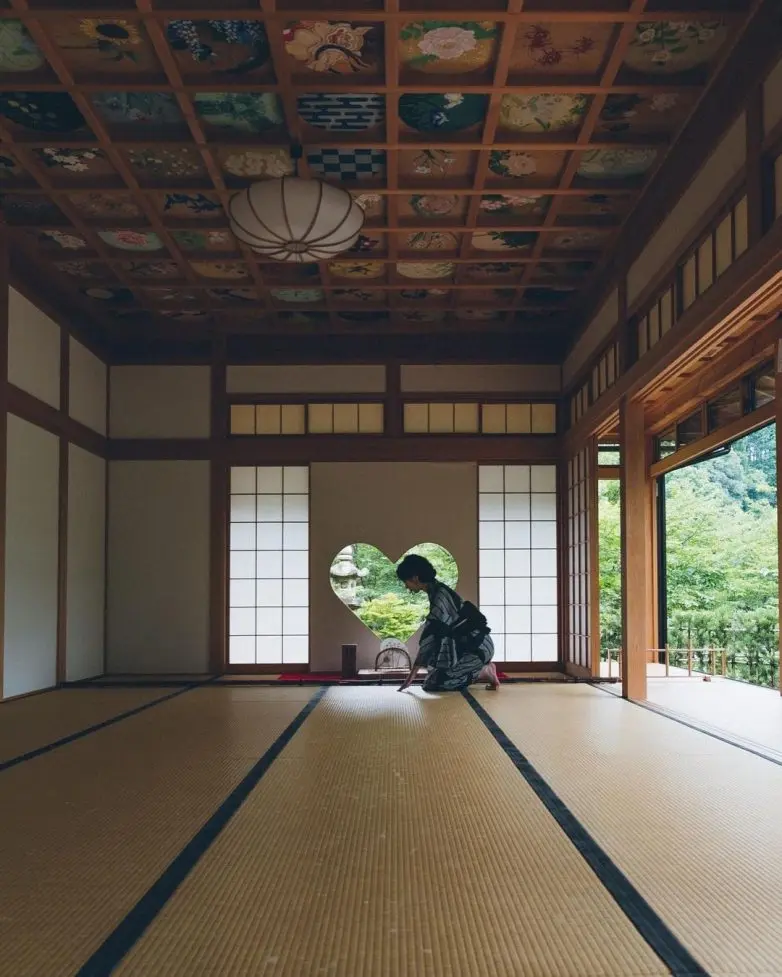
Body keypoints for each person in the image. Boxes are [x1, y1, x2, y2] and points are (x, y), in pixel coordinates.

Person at [395, 554, 500, 693]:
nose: (405, 586)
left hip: (477, 647)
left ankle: (483, 672)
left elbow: (430, 637)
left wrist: (412, 675)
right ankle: (481, 669)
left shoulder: (440, 597)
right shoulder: (437, 590)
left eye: (405, 581)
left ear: (415, 578)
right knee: (431, 681)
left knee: (438, 684)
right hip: (469, 646)